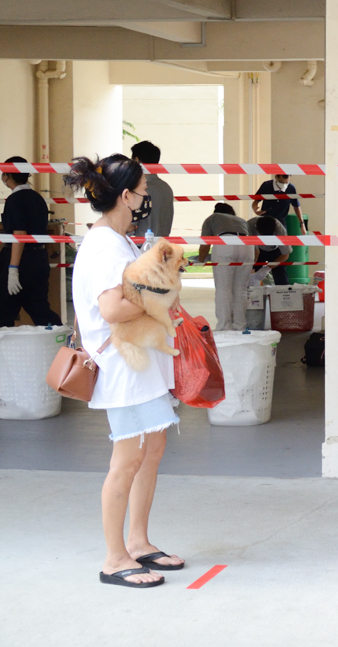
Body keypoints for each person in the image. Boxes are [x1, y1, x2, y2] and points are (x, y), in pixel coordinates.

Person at [64, 154, 185, 588]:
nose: (148, 196)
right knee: (128, 459)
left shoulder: (120, 240)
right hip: (123, 367)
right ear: (126, 196)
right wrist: (161, 291)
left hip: (141, 365)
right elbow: (113, 309)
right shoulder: (104, 246)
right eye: (144, 189)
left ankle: (138, 541)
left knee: (152, 451)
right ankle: (114, 559)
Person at [1, 157, 62, 328]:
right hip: (38, 260)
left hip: (20, 261)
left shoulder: (14, 200)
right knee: (39, 308)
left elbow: (20, 234)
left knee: (4, 311)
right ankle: (60, 337)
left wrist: (12, 269)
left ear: (7, 176)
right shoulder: (38, 198)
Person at [197, 203, 254, 331]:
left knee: (223, 289)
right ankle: (240, 326)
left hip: (225, 243)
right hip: (248, 246)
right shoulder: (241, 220)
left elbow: (205, 244)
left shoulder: (212, 218)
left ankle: (224, 327)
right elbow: (257, 251)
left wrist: (200, 260)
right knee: (241, 289)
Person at [130, 141, 174, 237]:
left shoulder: (140, 190)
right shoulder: (166, 188)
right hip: (164, 243)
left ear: (136, 160)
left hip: (144, 244)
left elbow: (130, 226)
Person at [249, 216, 291, 285]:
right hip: (258, 249)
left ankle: (283, 290)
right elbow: (255, 252)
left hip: (275, 250)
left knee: (281, 276)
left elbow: (285, 255)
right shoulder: (250, 226)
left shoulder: (280, 230)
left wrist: (267, 268)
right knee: (252, 275)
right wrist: (253, 266)